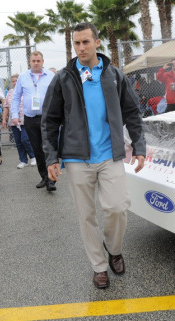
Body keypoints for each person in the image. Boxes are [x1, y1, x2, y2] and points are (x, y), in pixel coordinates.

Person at [42, 22, 146, 289]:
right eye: (76, 43)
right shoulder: (64, 77)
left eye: (86, 42)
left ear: (97, 42)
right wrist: (51, 157)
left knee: (118, 207)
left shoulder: (113, 75)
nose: (81, 48)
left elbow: (133, 112)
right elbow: (50, 120)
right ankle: (99, 266)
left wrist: (140, 146)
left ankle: (114, 248)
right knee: (86, 215)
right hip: (77, 159)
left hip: (110, 155)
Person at [10, 51, 55, 191]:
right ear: (29, 62)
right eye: (33, 61)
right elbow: (16, 97)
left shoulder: (51, 76)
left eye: (38, 60)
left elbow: (58, 95)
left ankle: (51, 179)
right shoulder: (23, 77)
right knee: (37, 148)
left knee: (48, 148)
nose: (36, 63)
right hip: (29, 118)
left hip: (47, 118)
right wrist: (15, 115)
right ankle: (44, 177)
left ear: (43, 61)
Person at [2, 73, 36, 169]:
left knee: (25, 139)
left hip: (26, 120)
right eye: (13, 81)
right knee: (18, 142)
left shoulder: (27, 91)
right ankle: (23, 160)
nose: (14, 83)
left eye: (16, 81)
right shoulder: (10, 93)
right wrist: (4, 119)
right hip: (14, 121)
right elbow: (6, 107)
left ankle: (33, 156)